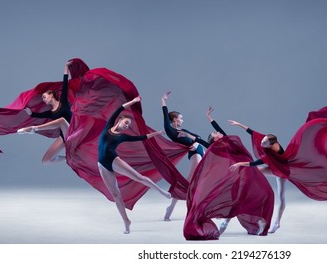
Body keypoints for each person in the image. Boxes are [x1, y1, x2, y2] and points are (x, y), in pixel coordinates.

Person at [180, 107, 273, 239]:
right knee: (246, 196)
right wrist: (188, 136)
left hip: (247, 168)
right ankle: (251, 221)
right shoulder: (218, 148)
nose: (217, 132)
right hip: (242, 172)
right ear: (216, 140)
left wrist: (210, 118)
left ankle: (258, 221)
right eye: (215, 133)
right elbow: (201, 141)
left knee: (266, 193)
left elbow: (220, 130)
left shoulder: (227, 140)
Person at [97, 96, 171, 234]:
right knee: (116, 194)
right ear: (119, 120)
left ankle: (161, 191)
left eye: (128, 125)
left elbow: (141, 137)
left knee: (139, 177)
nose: (126, 126)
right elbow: (120, 108)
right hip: (102, 164)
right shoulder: (109, 125)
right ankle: (126, 221)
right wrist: (134, 101)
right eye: (125, 122)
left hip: (113, 160)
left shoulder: (122, 136)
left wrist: (157, 133)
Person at [227, 120, 286, 234]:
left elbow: (253, 163)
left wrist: (239, 164)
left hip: (282, 170)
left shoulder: (273, 152)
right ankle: (249, 191)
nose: (262, 143)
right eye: (263, 140)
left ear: (271, 145)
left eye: (264, 143)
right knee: (254, 172)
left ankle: (277, 222)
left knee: (281, 197)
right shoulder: (267, 139)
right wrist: (238, 124)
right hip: (273, 166)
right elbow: (251, 132)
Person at [17, 61, 74, 164]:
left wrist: (66, 67)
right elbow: (38, 116)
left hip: (74, 132)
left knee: (61, 121)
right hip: (64, 136)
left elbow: (65, 82)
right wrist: (31, 113)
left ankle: (33, 129)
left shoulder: (63, 101)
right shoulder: (50, 113)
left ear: (51, 95)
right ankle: (68, 158)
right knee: (45, 160)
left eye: (44, 97)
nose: (43, 100)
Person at [161, 91, 204, 221]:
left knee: (195, 182)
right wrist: (163, 101)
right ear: (175, 119)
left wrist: (192, 140)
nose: (182, 120)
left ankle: (176, 208)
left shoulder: (183, 131)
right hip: (196, 155)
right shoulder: (171, 131)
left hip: (201, 152)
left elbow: (199, 138)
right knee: (189, 183)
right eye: (181, 118)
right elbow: (164, 115)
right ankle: (177, 208)